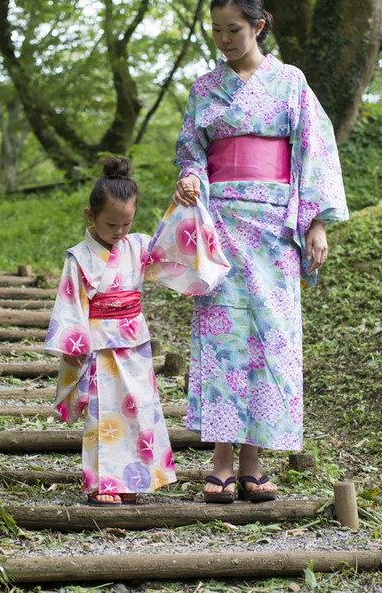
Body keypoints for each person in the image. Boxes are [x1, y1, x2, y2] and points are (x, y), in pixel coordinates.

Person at [172, 0, 349, 504]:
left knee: (271, 340)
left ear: (259, 26)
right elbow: (191, 151)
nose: (225, 40)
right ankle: (221, 462)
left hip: (275, 230)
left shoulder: (290, 82)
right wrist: (190, 179)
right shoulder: (205, 88)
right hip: (221, 227)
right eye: (218, 31)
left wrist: (314, 221)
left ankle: (254, 461)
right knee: (224, 340)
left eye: (235, 30)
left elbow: (313, 152)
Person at [45, 156, 230, 505]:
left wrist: (181, 206)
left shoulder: (139, 245)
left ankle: (134, 481)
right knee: (105, 416)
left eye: (126, 224)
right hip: (99, 344)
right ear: (90, 216)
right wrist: (73, 344)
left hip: (134, 343)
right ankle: (104, 484)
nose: (118, 232)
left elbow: (172, 244)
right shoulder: (79, 257)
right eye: (111, 224)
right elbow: (70, 303)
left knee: (139, 411)